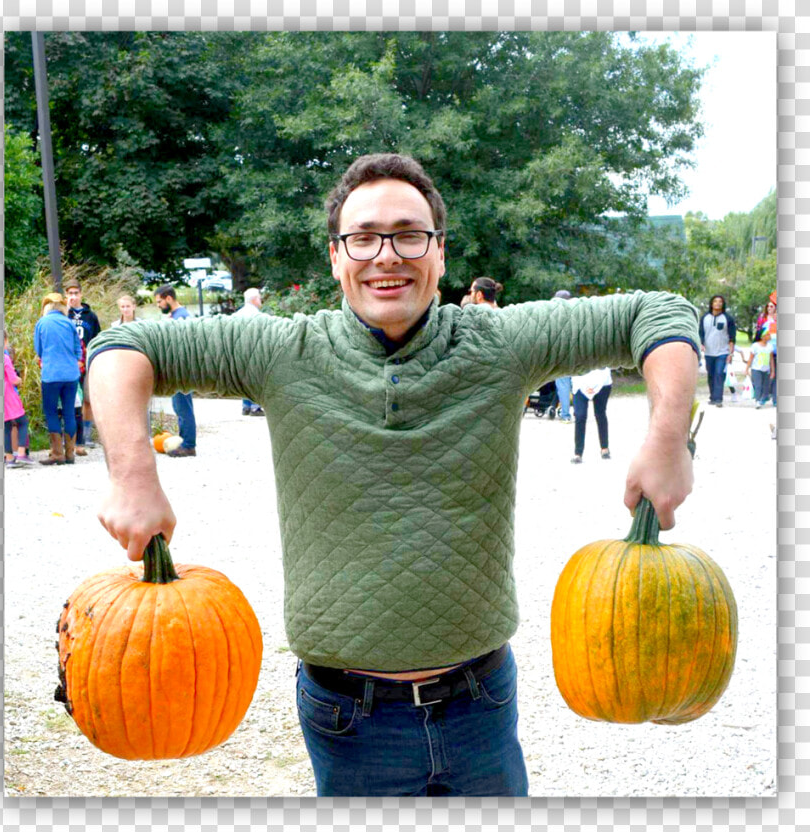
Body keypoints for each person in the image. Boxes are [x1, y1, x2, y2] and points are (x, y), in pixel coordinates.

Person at [86, 153, 700, 797]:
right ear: (335, 256)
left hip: (480, 703)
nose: (387, 255)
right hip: (348, 716)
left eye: (409, 234)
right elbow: (122, 348)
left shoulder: (502, 342)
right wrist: (133, 474)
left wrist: (666, 440)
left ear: (438, 253)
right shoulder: (279, 351)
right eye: (363, 237)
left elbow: (657, 313)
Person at [34, 293, 81, 465]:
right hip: (71, 374)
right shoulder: (69, 323)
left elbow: (39, 350)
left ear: (46, 307)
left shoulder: (42, 323)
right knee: (69, 411)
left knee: (51, 411)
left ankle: (57, 454)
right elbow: (78, 349)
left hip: (52, 374)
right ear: (62, 307)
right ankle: (70, 454)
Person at [153, 285, 197, 457]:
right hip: (180, 367)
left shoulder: (180, 317)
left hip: (181, 368)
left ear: (168, 298)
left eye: (159, 301)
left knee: (182, 406)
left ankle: (188, 444)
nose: (158, 305)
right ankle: (185, 441)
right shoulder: (180, 315)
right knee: (180, 405)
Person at [64, 279, 102, 454]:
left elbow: (97, 337)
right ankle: (71, 435)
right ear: (66, 295)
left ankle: (86, 434)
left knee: (87, 399)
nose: (73, 296)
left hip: (86, 362)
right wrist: (65, 309)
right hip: (69, 363)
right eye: (70, 293)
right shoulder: (64, 314)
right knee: (70, 400)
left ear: (81, 294)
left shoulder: (90, 316)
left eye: (75, 293)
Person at [698, 294, 736, 408]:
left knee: (719, 374)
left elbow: (732, 337)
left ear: (723, 304)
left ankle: (718, 399)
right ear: (711, 303)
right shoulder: (705, 318)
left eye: (720, 301)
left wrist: (730, 353)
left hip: (723, 352)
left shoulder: (727, 318)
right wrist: (701, 344)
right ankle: (712, 397)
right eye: (715, 301)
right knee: (711, 374)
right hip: (709, 352)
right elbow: (701, 334)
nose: (718, 303)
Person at [4, 331, 34, 468]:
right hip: (8, 395)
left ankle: (9, 458)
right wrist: (19, 380)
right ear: (4, 340)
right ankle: (21, 453)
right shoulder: (5, 358)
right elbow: (12, 379)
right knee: (22, 422)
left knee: (6, 427)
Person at [570, 367, 613, 464]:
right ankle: (578, 453)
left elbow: (605, 366)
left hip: (602, 382)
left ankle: (604, 448)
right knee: (580, 416)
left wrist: (594, 388)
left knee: (600, 413)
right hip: (580, 382)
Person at [233, 287, 265, 416]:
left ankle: (246, 406)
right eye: (259, 297)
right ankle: (255, 407)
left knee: (244, 378)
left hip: (239, 351)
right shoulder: (257, 316)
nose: (261, 299)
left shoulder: (237, 315)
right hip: (253, 350)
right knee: (256, 378)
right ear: (255, 299)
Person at [552, 289, 573, 422]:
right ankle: (579, 411)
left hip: (562, 354)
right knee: (575, 385)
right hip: (577, 353)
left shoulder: (556, 316)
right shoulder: (575, 313)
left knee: (563, 385)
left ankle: (565, 415)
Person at [745, 329, 776, 408]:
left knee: (765, 386)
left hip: (766, 370)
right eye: (767, 334)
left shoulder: (770, 346)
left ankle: (763, 398)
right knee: (758, 385)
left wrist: (772, 371)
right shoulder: (755, 346)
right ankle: (757, 400)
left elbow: (771, 360)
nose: (769, 336)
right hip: (756, 369)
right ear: (763, 337)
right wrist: (747, 369)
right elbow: (751, 358)